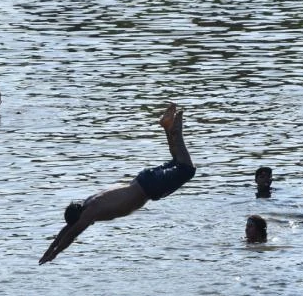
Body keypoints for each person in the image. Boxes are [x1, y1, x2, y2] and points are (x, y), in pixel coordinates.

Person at [39, 102, 196, 264]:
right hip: (143, 180)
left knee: (187, 169)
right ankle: (166, 127)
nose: (84, 224)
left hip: (149, 187)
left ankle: (175, 130)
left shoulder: (89, 213)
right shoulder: (88, 202)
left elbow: (71, 234)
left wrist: (54, 254)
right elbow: (67, 230)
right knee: (178, 160)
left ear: (79, 218)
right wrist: (50, 249)